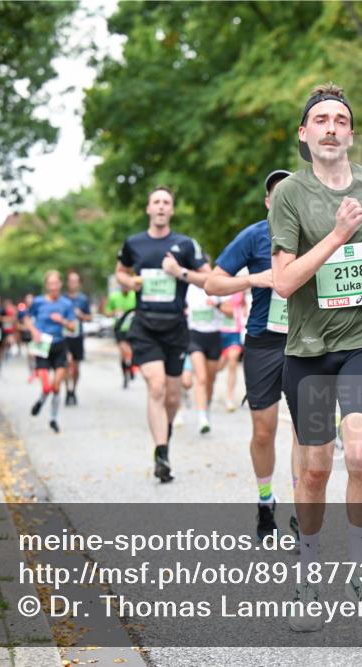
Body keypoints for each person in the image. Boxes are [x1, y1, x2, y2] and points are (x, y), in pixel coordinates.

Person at [269, 83, 362, 630]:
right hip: (308, 352)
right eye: (321, 120)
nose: (331, 127)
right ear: (304, 133)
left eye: (341, 120)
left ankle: (361, 575)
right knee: (314, 471)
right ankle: (307, 574)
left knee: (360, 452)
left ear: (351, 133)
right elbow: (284, 282)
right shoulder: (290, 194)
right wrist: (337, 235)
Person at [206, 168, 302, 540]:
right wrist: (252, 279)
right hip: (264, 341)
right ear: (267, 203)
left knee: (305, 431)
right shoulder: (254, 236)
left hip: (306, 343)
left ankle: (302, 509)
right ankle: (266, 501)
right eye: (277, 196)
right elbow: (213, 283)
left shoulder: (317, 235)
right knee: (263, 431)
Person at [116, 185, 211, 482]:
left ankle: (164, 441)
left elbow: (209, 279)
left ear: (171, 209)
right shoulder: (134, 243)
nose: (160, 206)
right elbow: (120, 271)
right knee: (156, 386)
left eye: (165, 202)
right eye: (155, 201)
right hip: (145, 325)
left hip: (175, 327)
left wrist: (179, 272)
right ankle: (161, 454)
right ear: (148, 208)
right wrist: (129, 282)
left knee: (171, 397)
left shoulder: (185, 244)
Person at [27, 271, 77, 434]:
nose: (54, 287)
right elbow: (26, 318)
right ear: (46, 285)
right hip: (42, 347)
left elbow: (73, 327)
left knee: (56, 386)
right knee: (47, 386)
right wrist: (34, 331)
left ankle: (53, 419)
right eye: (51, 284)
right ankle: (41, 400)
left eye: (56, 283)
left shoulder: (66, 304)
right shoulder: (38, 302)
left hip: (59, 346)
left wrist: (61, 320)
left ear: (60, 284)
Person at [185, 282, 222, 434]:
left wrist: (217, 305)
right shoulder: (189, 287)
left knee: (210, 379)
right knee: (201, 377)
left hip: (214, 337)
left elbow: (231, 312)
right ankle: (202, 418)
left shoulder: (218, 284)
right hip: (194, 336)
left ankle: (206, 406)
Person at [64, 271, 93, 406]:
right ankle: (67, 390)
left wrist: (81, 315)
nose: (73, 284)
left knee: (75, 367)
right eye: (71, 281)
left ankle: (73, 390)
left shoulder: (83, 299)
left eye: (75, 281)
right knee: (67, 362)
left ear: (79, 283)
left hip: (78, 336)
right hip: (64, 336)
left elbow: (90, 317)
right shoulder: (62, 299)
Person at [217, 290, 246, 411]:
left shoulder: (240, 289)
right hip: (219, 332)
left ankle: (229, 398)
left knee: (233, 362)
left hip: (234, 333)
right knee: (218, 367)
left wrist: (244, 310)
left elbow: (243, 304)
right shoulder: (220, 286)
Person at [104, 284, 137, 388]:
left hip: (133, 328)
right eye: (123, 286)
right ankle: (125, 376)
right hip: (119, 329)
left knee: (131, 351)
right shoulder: (114, 297)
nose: (125, 288)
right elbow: (106, 313)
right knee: (123, 352)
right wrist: (114, 312)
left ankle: (131, 367)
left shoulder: (134, 295)